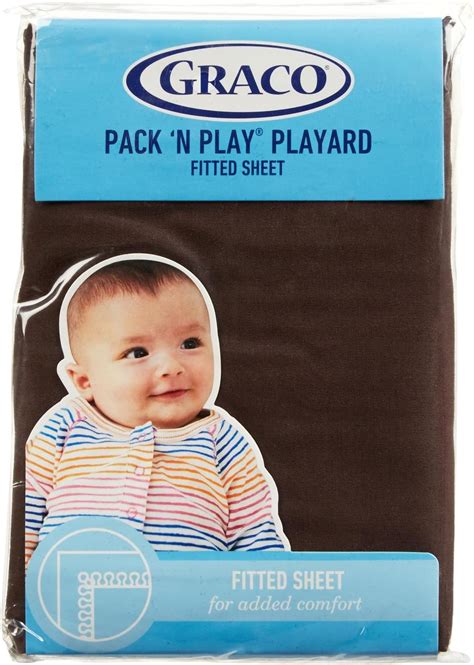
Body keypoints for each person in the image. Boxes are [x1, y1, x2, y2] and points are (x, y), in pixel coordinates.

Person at [25, 258, 289, 566]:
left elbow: (256, 536)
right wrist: (18, 584)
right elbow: (22, 513)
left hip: (189, 594)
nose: (171, 367)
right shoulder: (66, 426)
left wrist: (270, 586)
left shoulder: (223, 442)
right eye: (138, 353)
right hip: (72, 590)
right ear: (85, 381)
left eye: (190, 343)